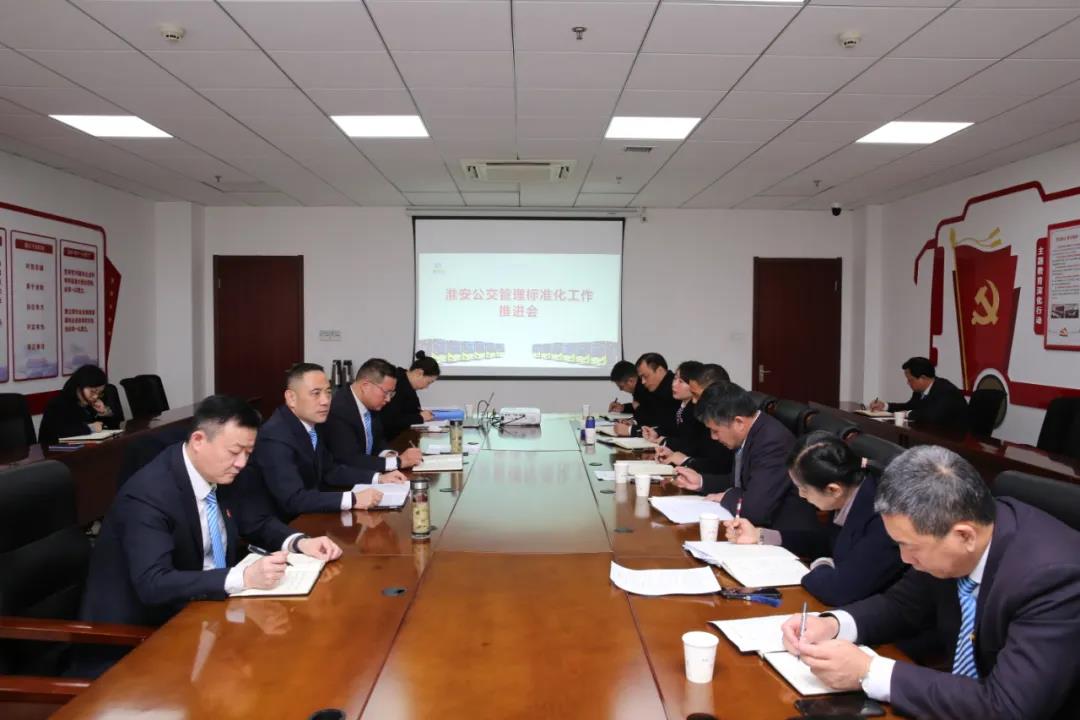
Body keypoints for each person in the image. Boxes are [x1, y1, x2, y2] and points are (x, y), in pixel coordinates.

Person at [780, 445, 1080, 719]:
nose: (905, 558)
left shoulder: (1053, 579)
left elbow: (1007, 707)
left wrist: (870, 671)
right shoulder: (957, 527)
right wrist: (832, 624)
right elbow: (901, 605)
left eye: (910, 546)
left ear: (964, 536)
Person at [76, 395, 343, 674]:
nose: (241, 463)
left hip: (205, 615)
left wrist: (300, 542)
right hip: (139, 640)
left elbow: (256, 521)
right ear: (198, 441)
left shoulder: (220, 472)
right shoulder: (149, 495)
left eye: (248, 453)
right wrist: (243, 578)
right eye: (235, 452)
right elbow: (154, 583)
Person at [724, 431, 906, 605]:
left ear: (833, 489)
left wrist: (821, 563)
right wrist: (761, 535)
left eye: (803, 489)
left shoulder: (884, 517)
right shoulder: (852, 489)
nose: (801, 495)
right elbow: (827, 541)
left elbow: (840, 590)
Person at [244, 363, 390, 520]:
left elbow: (329, 471)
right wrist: (353, 499)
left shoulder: (312, 424)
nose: (325, 401)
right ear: (291, 398)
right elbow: (293, 499)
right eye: (316, 393)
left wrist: (378, 478)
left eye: (328, 393)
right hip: (283, 524)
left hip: (309, 514)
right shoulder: (274, 437)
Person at [673, 381, 818, 530]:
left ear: (739, 422)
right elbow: (740, 482)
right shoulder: (752, 431)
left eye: (715, 431)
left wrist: (727, 496)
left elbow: (754, 510)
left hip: (782, 534)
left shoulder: (773, 443)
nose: (713, 437)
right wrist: (701, 481)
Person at [324, 358, 423, 477]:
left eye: (391, 393)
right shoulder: (339, 410)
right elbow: (349, 459)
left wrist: (388, 454)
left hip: (367, 473)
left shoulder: (371, 404)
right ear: (365, 386)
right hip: (345, 481)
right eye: (386, 392)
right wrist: (398, 462)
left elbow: (377, 440)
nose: (388, 399)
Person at [655, 363, 734, 474]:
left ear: (715, 392)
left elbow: (721, 467)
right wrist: (674, 455)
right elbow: (699, 449)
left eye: (696, 395)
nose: (694, 401)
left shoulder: (728, 420)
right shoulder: (708, 416)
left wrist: (686, 461)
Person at [868, 356, 968, 430]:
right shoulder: (919, 390)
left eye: (910, 380)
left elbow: (932, 416)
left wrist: (906, 414)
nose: (908, 383)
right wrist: (885, 406)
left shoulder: (945, 390)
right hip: (931, 434)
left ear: (923, 378)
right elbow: (910, 406)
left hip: (954, 440)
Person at [37, 364, 121, 445]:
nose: (96, 396)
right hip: (57, 451)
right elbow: (59, 432)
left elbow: (114, 428)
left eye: (99, 392)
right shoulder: (58, 404)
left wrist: (104, 412)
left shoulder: (93, 403)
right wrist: (89, 428)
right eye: (92, 391)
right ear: (79, 386)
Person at [614, 353, 680, 437]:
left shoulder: (674, 390)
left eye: (645, 376)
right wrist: (634, 422)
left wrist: (630, 430)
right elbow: (652, 417)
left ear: (659, 370)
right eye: (641, 378)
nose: (643, 382)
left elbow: (666, 428)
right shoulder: (658, 388)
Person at [379, 351, 441, 440]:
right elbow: (390, 419)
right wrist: (420, 417)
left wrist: (421, 414)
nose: (426, 387)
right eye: (428, 382)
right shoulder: (397, 384)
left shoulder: (407, 383)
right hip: (390, 440)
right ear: (419, 373)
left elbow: (407, 411)